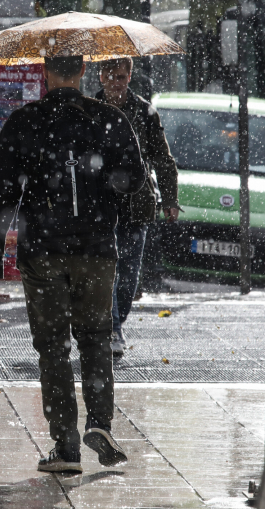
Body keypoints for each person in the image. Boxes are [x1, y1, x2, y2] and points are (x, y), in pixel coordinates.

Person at [0, 55, 146, 473]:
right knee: (95, 337)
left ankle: (66, 445)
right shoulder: (109, 118)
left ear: (45, 73)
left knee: (52, 345)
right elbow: (135, 178)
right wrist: (105, 191)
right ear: (85, 71)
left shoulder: (25, 121)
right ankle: (101, 422)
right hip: (96, 248)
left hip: (44, 250)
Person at [96, 58, 179, 356]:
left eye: (121, 76)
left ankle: (116, 321)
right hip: (101, 205)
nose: (116, 82)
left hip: (137, 204)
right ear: (101, 76)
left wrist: (170, 200)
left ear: (129, 75)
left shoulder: (144, 111)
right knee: (109, 271)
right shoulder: (91, 108)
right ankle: (113, 328)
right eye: (110, 76)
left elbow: (164, 159)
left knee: (129, 276)